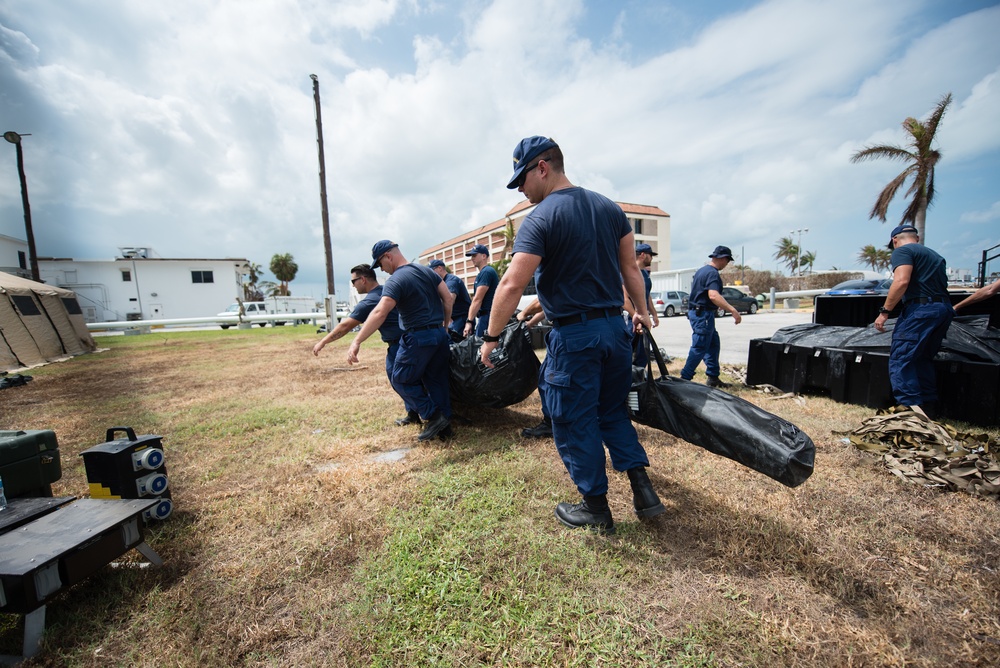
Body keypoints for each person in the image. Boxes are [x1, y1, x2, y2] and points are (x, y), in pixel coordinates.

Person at [480, 135, 664, 535]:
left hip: (575, 336)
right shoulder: (609, 208)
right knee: (612, 411)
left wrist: (491, 338)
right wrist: (643, 314)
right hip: (615, 330)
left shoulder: (542, 218)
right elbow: (631, 271)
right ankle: (643, 491)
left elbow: (511, 284)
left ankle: (596, 508)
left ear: (542, 167)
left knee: (573, 418)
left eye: (521, 181)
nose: (522, 191)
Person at [347, 241, 455, 441]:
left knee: (400, 379)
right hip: (438, 335)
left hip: (418, 337)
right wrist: (445, 327)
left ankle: (433, 416)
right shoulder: (427, 271)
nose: (381, 269)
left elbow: (380, 312)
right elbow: (448, 299)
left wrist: (357, 341)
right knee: (436, 380)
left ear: (388, 256)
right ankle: (445, 430)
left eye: (380, 264)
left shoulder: (396, 280)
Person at [312, 263, 419, 426]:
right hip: (412, 339)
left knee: (399, 379)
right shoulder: (388, 290)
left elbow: (345, 326)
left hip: (400, 345)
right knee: (409, 379)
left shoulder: (372, 300)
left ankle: (430, 414)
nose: (353, 286)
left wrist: (323, 341)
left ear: (363, 279)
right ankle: (413, 413)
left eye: (353, 281)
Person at [873, 225, 955, 418]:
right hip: (942, 309)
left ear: (894, 241)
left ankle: (911, 412)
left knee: (901, 359)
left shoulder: (903, 251)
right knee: (922, 359)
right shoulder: (934, 255)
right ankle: (929, 409)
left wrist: (885, 312)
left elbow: (901, 281)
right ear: (916, 238)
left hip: (920, 310)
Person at [679, 246, 742, 387]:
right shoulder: (712, 273)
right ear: (723, 258)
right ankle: (684, 379)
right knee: (700, 346)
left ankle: (713, 377)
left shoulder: (702, 271)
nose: (727, 264)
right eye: (727, 261)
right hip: (703, 315)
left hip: (700, 313)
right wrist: (732, 310)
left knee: (713, 343)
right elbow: (713, 295)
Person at [516, 298, 552, 439]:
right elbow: (547, 307)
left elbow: (543, 301)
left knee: (546, 378)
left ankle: (550, 423)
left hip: (571, 330)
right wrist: (530, 323)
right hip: (605, 326)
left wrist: (523, 313)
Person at [623, 242, 660, 368]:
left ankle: (639, 379)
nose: (652, 258)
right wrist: (636, 318)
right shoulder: (627, 272)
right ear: (643, 255)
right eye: (651, 255)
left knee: (643, 354)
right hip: (630, 320)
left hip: (642, 318)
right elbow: (624, 300)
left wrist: (654, 314)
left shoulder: (644, 274)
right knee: (627, 354)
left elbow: (646, 295)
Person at [463, 244, 500, 338]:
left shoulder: (486, 272)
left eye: (474, 255)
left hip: (487, 316)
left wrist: (469, 322)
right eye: (471, 256)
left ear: (484, 256)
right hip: (486, 316)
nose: (472, 258)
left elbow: (477, 299)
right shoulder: (484, 273)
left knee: (481, 348)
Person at [429, 259, 472, 338]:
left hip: (460, 318)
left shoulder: (451, 281)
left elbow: (449, 300)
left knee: (455, 344)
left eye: (432, 271)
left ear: (440, 268)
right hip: (453, 318)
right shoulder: (442, 282)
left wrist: (445, 321)